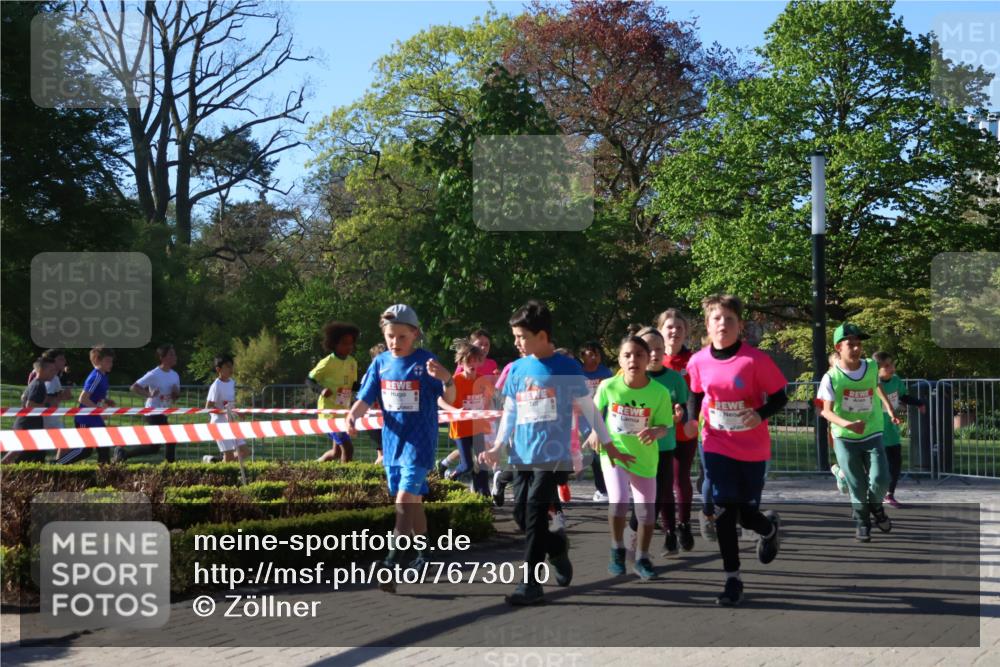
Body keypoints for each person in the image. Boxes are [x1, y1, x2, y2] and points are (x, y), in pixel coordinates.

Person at [480, 299, 614, 606]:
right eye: (515, 336)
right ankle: (556, 547)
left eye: (522, 337)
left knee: (536, 512)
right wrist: (499, 445)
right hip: (521, 455)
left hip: (553, 455)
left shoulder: (567, 367)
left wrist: (605, 440)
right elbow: (511, 411)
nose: (516, 343)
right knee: (520, 513)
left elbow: (589, 408)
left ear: (542, 336)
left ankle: (529, 583)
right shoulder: (516, 369)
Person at [347, 305, 456, 592]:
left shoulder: (426, 361)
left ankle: (391, 562)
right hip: (393, 444)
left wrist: (447, 378)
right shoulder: (381, 363)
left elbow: (449, 396)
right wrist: (353, 414)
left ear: (415, 334)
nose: (395, 342)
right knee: (414, 501)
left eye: (401, 337)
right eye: (390, 336)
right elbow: (366, 395)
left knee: (404, 501)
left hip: (419, 444)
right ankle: (424, 554)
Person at [686, 295, 786, 606]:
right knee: (725, 512)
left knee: (747, 515)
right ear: (707, 324)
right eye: (717, 319)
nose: (723, 325)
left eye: (729, 319)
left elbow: (780, 396)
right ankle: (732, 580)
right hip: (715, 442)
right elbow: (694, 392)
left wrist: (760, 414)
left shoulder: (755, 361)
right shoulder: (699, 360)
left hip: (752, 448)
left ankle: (768, 529)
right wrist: (690, 420)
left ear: (739, 325)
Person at [593, 334, 673, 580]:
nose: (633, 360)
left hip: (644, 459)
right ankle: (617, 548)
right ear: (619, 359)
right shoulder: (608, 386)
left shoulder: (659, 392)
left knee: (647, 514)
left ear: (648, 359)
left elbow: (665, 426)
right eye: (627, 355)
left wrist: (655, 431)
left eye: (639, 355)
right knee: (618, 502)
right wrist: (595, 432)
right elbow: (594, 413)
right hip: (614, 454)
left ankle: (642, 557)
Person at [818, 324, 899, 542]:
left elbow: (876, 386)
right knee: (857, 484)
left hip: (872, 432)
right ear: (839, 347)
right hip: (845, 437)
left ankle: (876, 509)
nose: (856, 348)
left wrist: (888, 408)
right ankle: (863, 521)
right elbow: (825, 411)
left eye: (858, 344)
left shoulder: (872, 366)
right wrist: (847, 424)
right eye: (850, 344)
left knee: (881, 479)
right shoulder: (831, 377)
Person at [629, 326, 691, 556]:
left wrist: (679, 415)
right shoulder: (629, 379)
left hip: (665, 446)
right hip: (638, 448)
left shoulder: (674, 379)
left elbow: (682, 407)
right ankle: (632, 535)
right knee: (642, 497)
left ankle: (658, 537)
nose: (654, 354)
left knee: (660, 495)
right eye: (648, 350)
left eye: (659, 349)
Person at [657, 309, 702, 545]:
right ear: (660, 330)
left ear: (686, 332)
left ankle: (684, 525)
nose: (674, 332)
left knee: (679, 476)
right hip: (657, 430)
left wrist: (693, 420)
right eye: (669, 327)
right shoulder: (652, 360)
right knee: (663, 480)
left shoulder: (693, 360)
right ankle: (668, 531)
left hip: (684, 429)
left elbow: (698, 392)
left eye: (679, 328)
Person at [439, 338, 494, 497]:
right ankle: (451, 476)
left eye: (475, 360)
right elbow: (439, 399)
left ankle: (483, 494)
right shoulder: (455, 380)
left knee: (481, 463)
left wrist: (488, 409)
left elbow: (490, 400)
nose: (472, 363)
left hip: (478, 428)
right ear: (461, 362)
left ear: (479, 362)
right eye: (468, 360)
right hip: (461, 428)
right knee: (468, 464)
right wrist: (454, 411)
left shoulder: (483, 380)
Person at [872, 351, 926, 508]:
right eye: (887, 366)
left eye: (892, 364)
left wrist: (919, 402)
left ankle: (889, 495)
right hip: (875, 429)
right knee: (877, 464)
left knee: (895, 463)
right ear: (877, 370)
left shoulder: (896, 380)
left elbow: (902, 396)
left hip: (891, 429)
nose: (891, 368)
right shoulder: (871, 383)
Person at [117, 344, 181, 463]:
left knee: (154, 447)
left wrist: (176, 394)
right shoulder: (154, 374)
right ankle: (170, 468)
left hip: (163, 412)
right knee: (171, 439)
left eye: (174, 354)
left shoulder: (175, 375)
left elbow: (176, 396)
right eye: (171, 354)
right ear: (162, 358)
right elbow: (134, 387)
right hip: (152, 412)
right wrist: (149, 395)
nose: (175, 357)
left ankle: (123, 454)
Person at [309, 321, 361, 463]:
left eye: (351, 343)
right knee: (348, 448)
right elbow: (309, 380)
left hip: (344, 412)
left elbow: (354, 385)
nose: (348, 347)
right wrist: (321, 389)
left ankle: (312, 467)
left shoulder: (352, 362)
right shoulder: (327, 362)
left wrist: (368, 389)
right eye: (344, 343)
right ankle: (345, 481)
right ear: (334, 344)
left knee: (336, 452)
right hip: (329, 414)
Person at [56, 346, 116, 465]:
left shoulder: (103, 376)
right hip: (85, 419)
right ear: (97, 361)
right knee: (85, 450)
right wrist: (99, 410)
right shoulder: (96, 376)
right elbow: (83, 398)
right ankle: (56, 466)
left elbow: (95, 396)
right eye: (108, 361)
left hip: (96, 419)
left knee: (104, 449)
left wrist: (107, 401)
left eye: (112, 361)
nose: (111, 364)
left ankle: (105, 477)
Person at [2, 357, 59, 463]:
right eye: (51, 370)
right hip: (27, 425)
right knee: (22, 455)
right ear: (41, 371)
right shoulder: (38, 385)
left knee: (20, 453)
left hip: (28, 424)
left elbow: (23, 397)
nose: (54, 373)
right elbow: (30, 405)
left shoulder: (36, 383)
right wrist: (48, 406)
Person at [579, 341, 613, 502]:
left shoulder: (605, 372)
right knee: (596, 453)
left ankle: (609, 486)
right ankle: (602, 489)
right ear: (582, 357)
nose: (595, 357)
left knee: (604, 453)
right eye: (590, 354)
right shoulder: (578, 373)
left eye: (597, 354)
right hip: (584, 419)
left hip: (604, 417)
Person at [203, 353, 250, 462]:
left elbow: (230, 404)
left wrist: (238, 412)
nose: (231, 369)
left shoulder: (232, 383)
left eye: (231, 366)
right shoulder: (216, 385)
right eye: (227, 366)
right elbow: (208, 406)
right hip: (219, 423)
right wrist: (223, 411)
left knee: (245, 452)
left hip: (231, 422)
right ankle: (221, 468)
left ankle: (213, 461)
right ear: (218, 369)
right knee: (228, 457)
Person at [365, 343, 387, 465]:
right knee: (382, 456)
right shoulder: (370, 376)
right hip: (375, 421)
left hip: (389, 421)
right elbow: (366, 400)